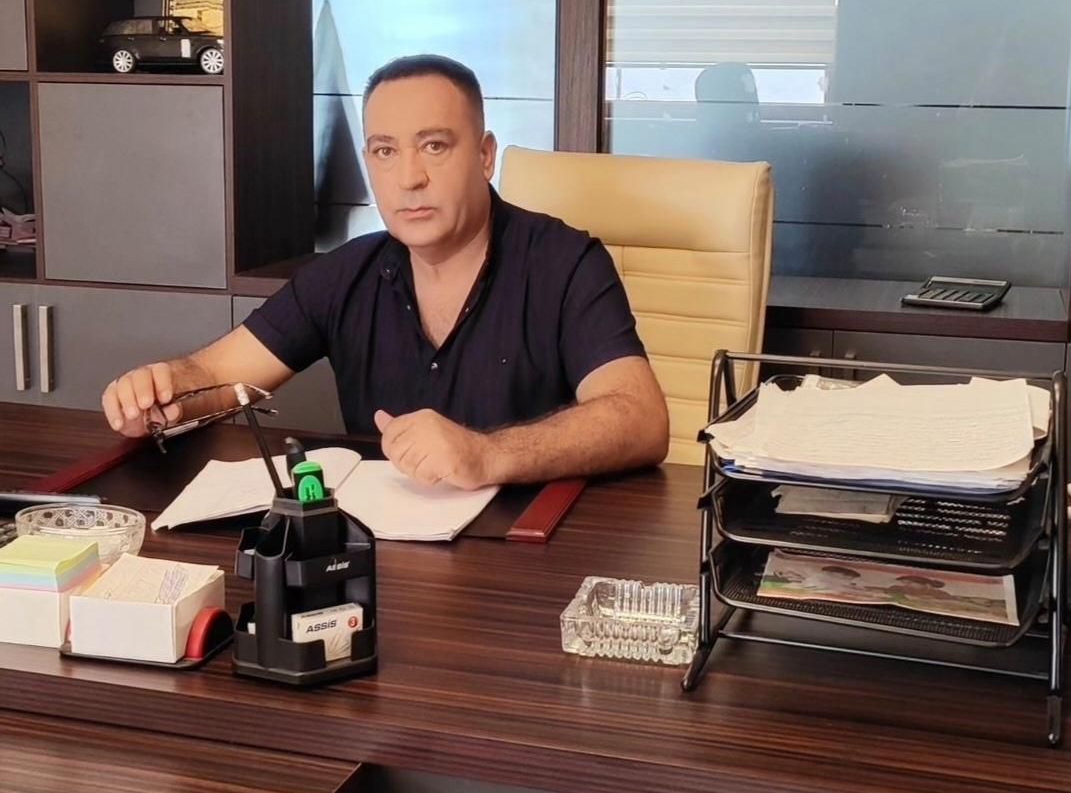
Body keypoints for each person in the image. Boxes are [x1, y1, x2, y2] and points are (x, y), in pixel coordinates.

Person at [102, 55, 670, 490]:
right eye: (384, 151)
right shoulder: (347, 273)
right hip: (384, 558)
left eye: (434, 146)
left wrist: (488, 454)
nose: (408, 178)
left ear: (485, 155)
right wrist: (161, 397)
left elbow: (640, 419)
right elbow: (220, 378)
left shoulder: (564, 262)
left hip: (530, 559)